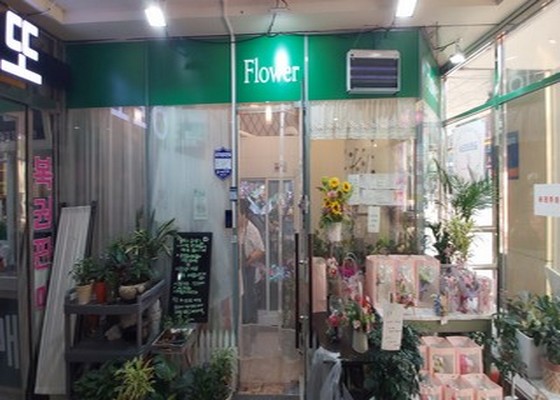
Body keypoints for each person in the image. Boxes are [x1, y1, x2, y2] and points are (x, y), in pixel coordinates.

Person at [239, 198, 265, 324]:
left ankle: (249, 322)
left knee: (248, 296)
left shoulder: (251, 229)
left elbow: (261, 250)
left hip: (248, 269)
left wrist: (247, 261)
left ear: (244, 214)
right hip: (234, 269)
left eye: (237, 215)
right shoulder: (232, 229)